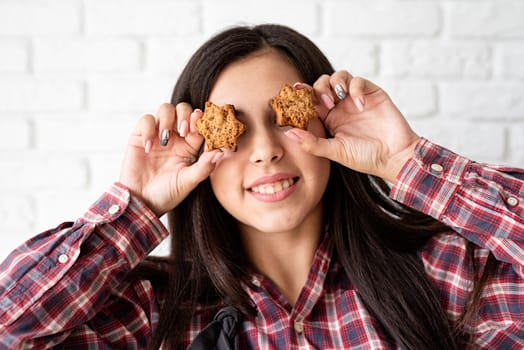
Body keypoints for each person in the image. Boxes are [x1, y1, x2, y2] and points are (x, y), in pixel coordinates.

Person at [0, 24, 522, 350]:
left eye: (283, 116)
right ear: (201, 149)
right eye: (236, 127)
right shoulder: (151, 314)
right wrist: (134, 207)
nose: (265, 149)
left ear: (327, 123)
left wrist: (407, 162)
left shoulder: (447, 273)